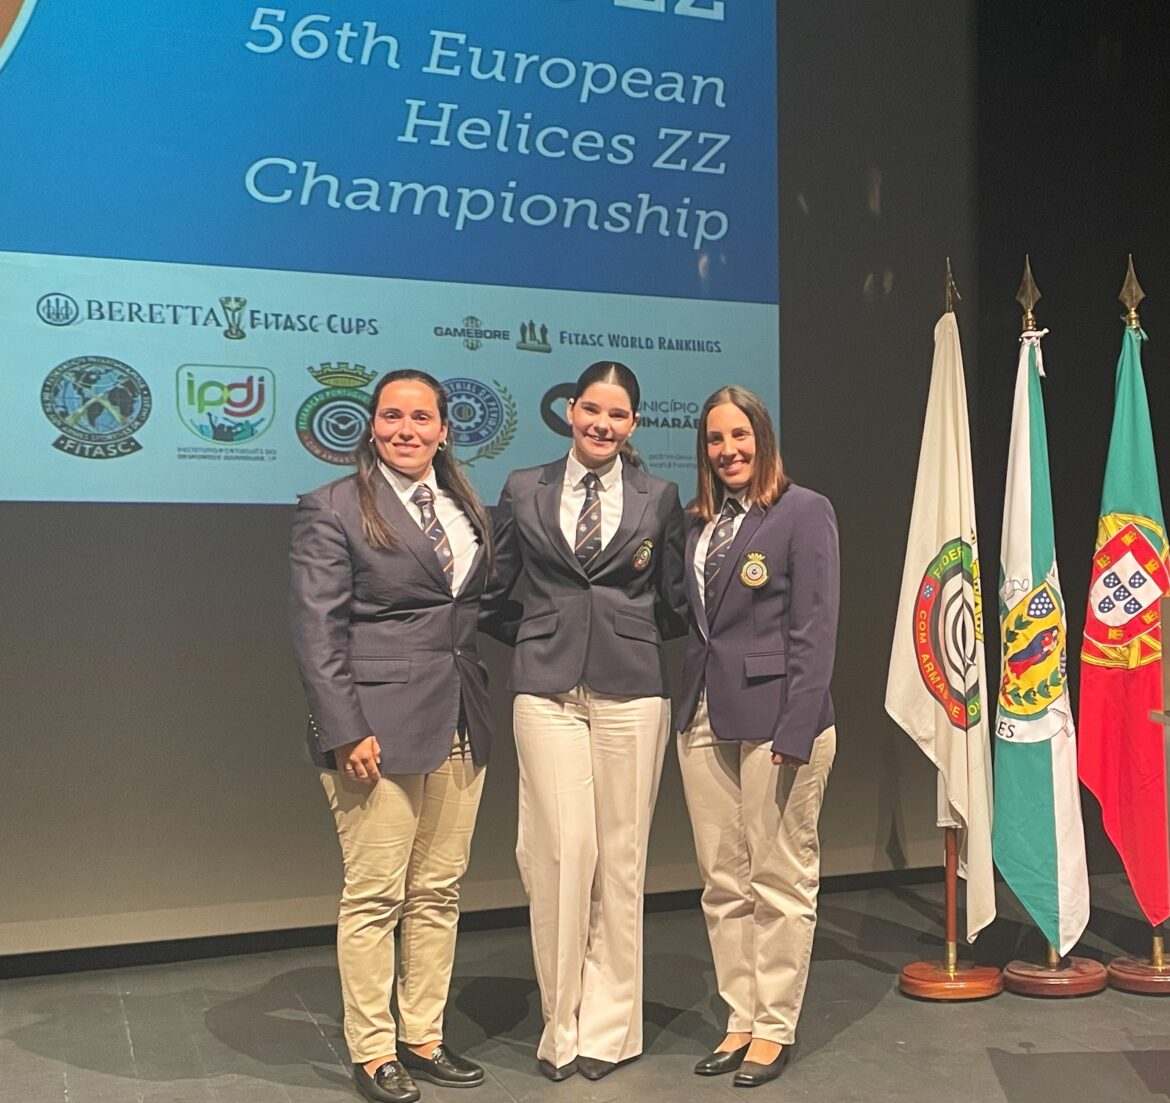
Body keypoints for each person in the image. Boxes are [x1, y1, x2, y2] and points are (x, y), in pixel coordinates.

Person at [290, 370, 493, 1103]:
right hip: (374, 728)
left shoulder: (466, 505)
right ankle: (373, 1049)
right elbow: (318, 633)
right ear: (370, 426)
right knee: (376, 894)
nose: (405, 429)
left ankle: (424, 1035)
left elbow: (470, 608)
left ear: (444, 428)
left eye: (421, 417)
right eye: (391, 416)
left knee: (438, 890)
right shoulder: (333, 507)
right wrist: (346, 729)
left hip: (462, 717)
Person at [481, 361, 687, 1083]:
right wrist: (542, 635)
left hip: (632, 690)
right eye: (592, 409)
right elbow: (495, 588)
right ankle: (559, 1022)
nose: (603, 423)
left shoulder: (660, 495)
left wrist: (621, 638)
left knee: (622, 858)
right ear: (570, 409)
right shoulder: (523, 488)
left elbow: (672, 600)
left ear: (634, 424)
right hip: (546, 689)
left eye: (619, 414)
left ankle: (609, 1027)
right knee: (561, 852)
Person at [675, 385, 839, 1088]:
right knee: (722, 882)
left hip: (780, 721)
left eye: (739, 435)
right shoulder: (699, 523)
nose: (728, 449)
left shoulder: (804, 511)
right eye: (715, 439)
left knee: (778, 879)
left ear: (762, 437)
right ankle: (739, 1017)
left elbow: (816, 626)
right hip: (706, 715)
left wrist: (796, 727)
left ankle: (774, 1027)